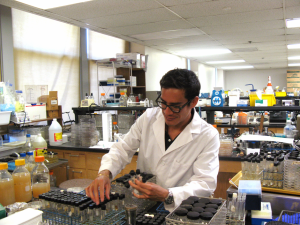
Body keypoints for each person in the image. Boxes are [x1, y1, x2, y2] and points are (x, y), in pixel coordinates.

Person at [85, 68, 220, 211]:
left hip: (179, 210)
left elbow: (205, 183)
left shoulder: (207, 135)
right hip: (142, 205)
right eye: (163, 103)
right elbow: (122, 149)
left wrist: (168, 195)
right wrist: (105, 173)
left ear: (193, 102)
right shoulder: (149, 117)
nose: (167, 112)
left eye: (175, 107)